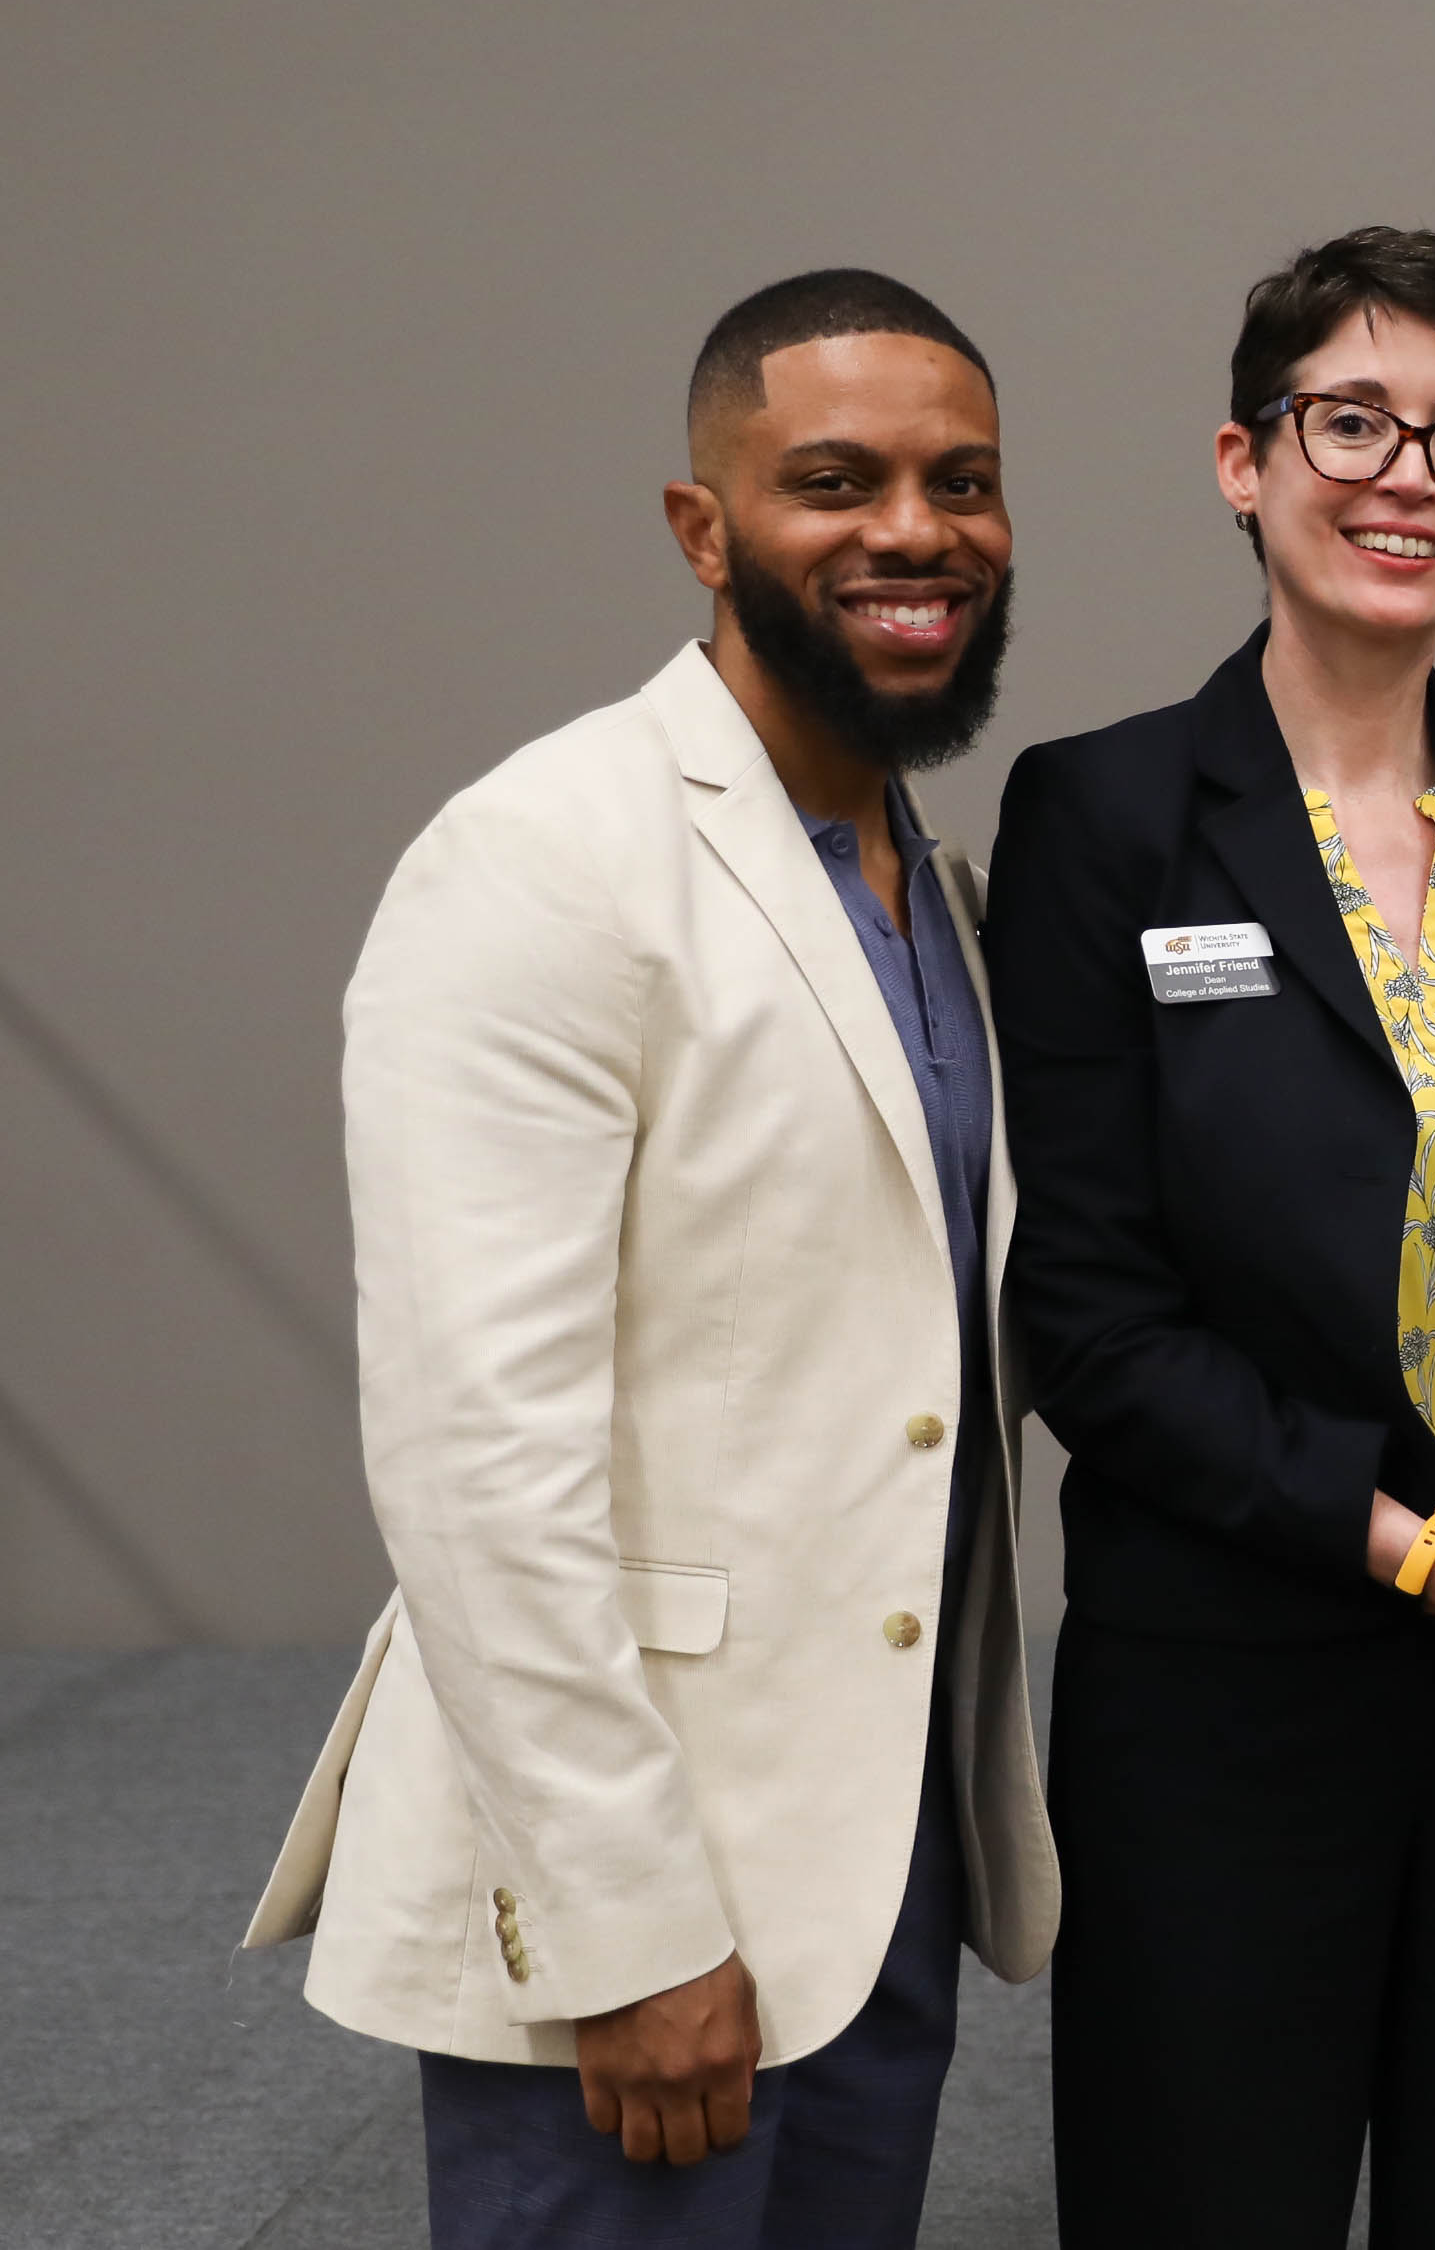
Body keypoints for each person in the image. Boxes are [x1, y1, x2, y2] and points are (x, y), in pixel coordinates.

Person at [239, 269, 1059, 2247]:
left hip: (874, 1869)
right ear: (703, 528)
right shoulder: (543, 860)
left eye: (962, 481)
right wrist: (625, 1929)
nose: (911, 532)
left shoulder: (924, 885)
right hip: (638, 1909)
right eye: (834, 480)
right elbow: (474, 1455)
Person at [986, 226, 1435, 2248]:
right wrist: (1426, 1558)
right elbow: (1093, 1324)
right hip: (1233, 1682)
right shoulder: (1105, 817)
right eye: (1352, 420)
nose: (1407, 474)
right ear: (1243, 458)